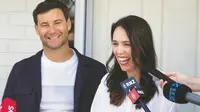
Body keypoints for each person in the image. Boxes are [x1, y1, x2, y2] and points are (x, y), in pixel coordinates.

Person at [1, 0, 107, 112]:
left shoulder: (96, 71)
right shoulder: (21, 70)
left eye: (57, 23)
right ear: (37, 29)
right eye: (45, 25)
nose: (52, 30)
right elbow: (7, 109)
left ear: (68, 24)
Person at [91, 15, 179, 112]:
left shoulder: (163, 86)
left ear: (143, 46)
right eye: (115, 44)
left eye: (127, 44)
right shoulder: (107, 81)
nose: (119, 51)